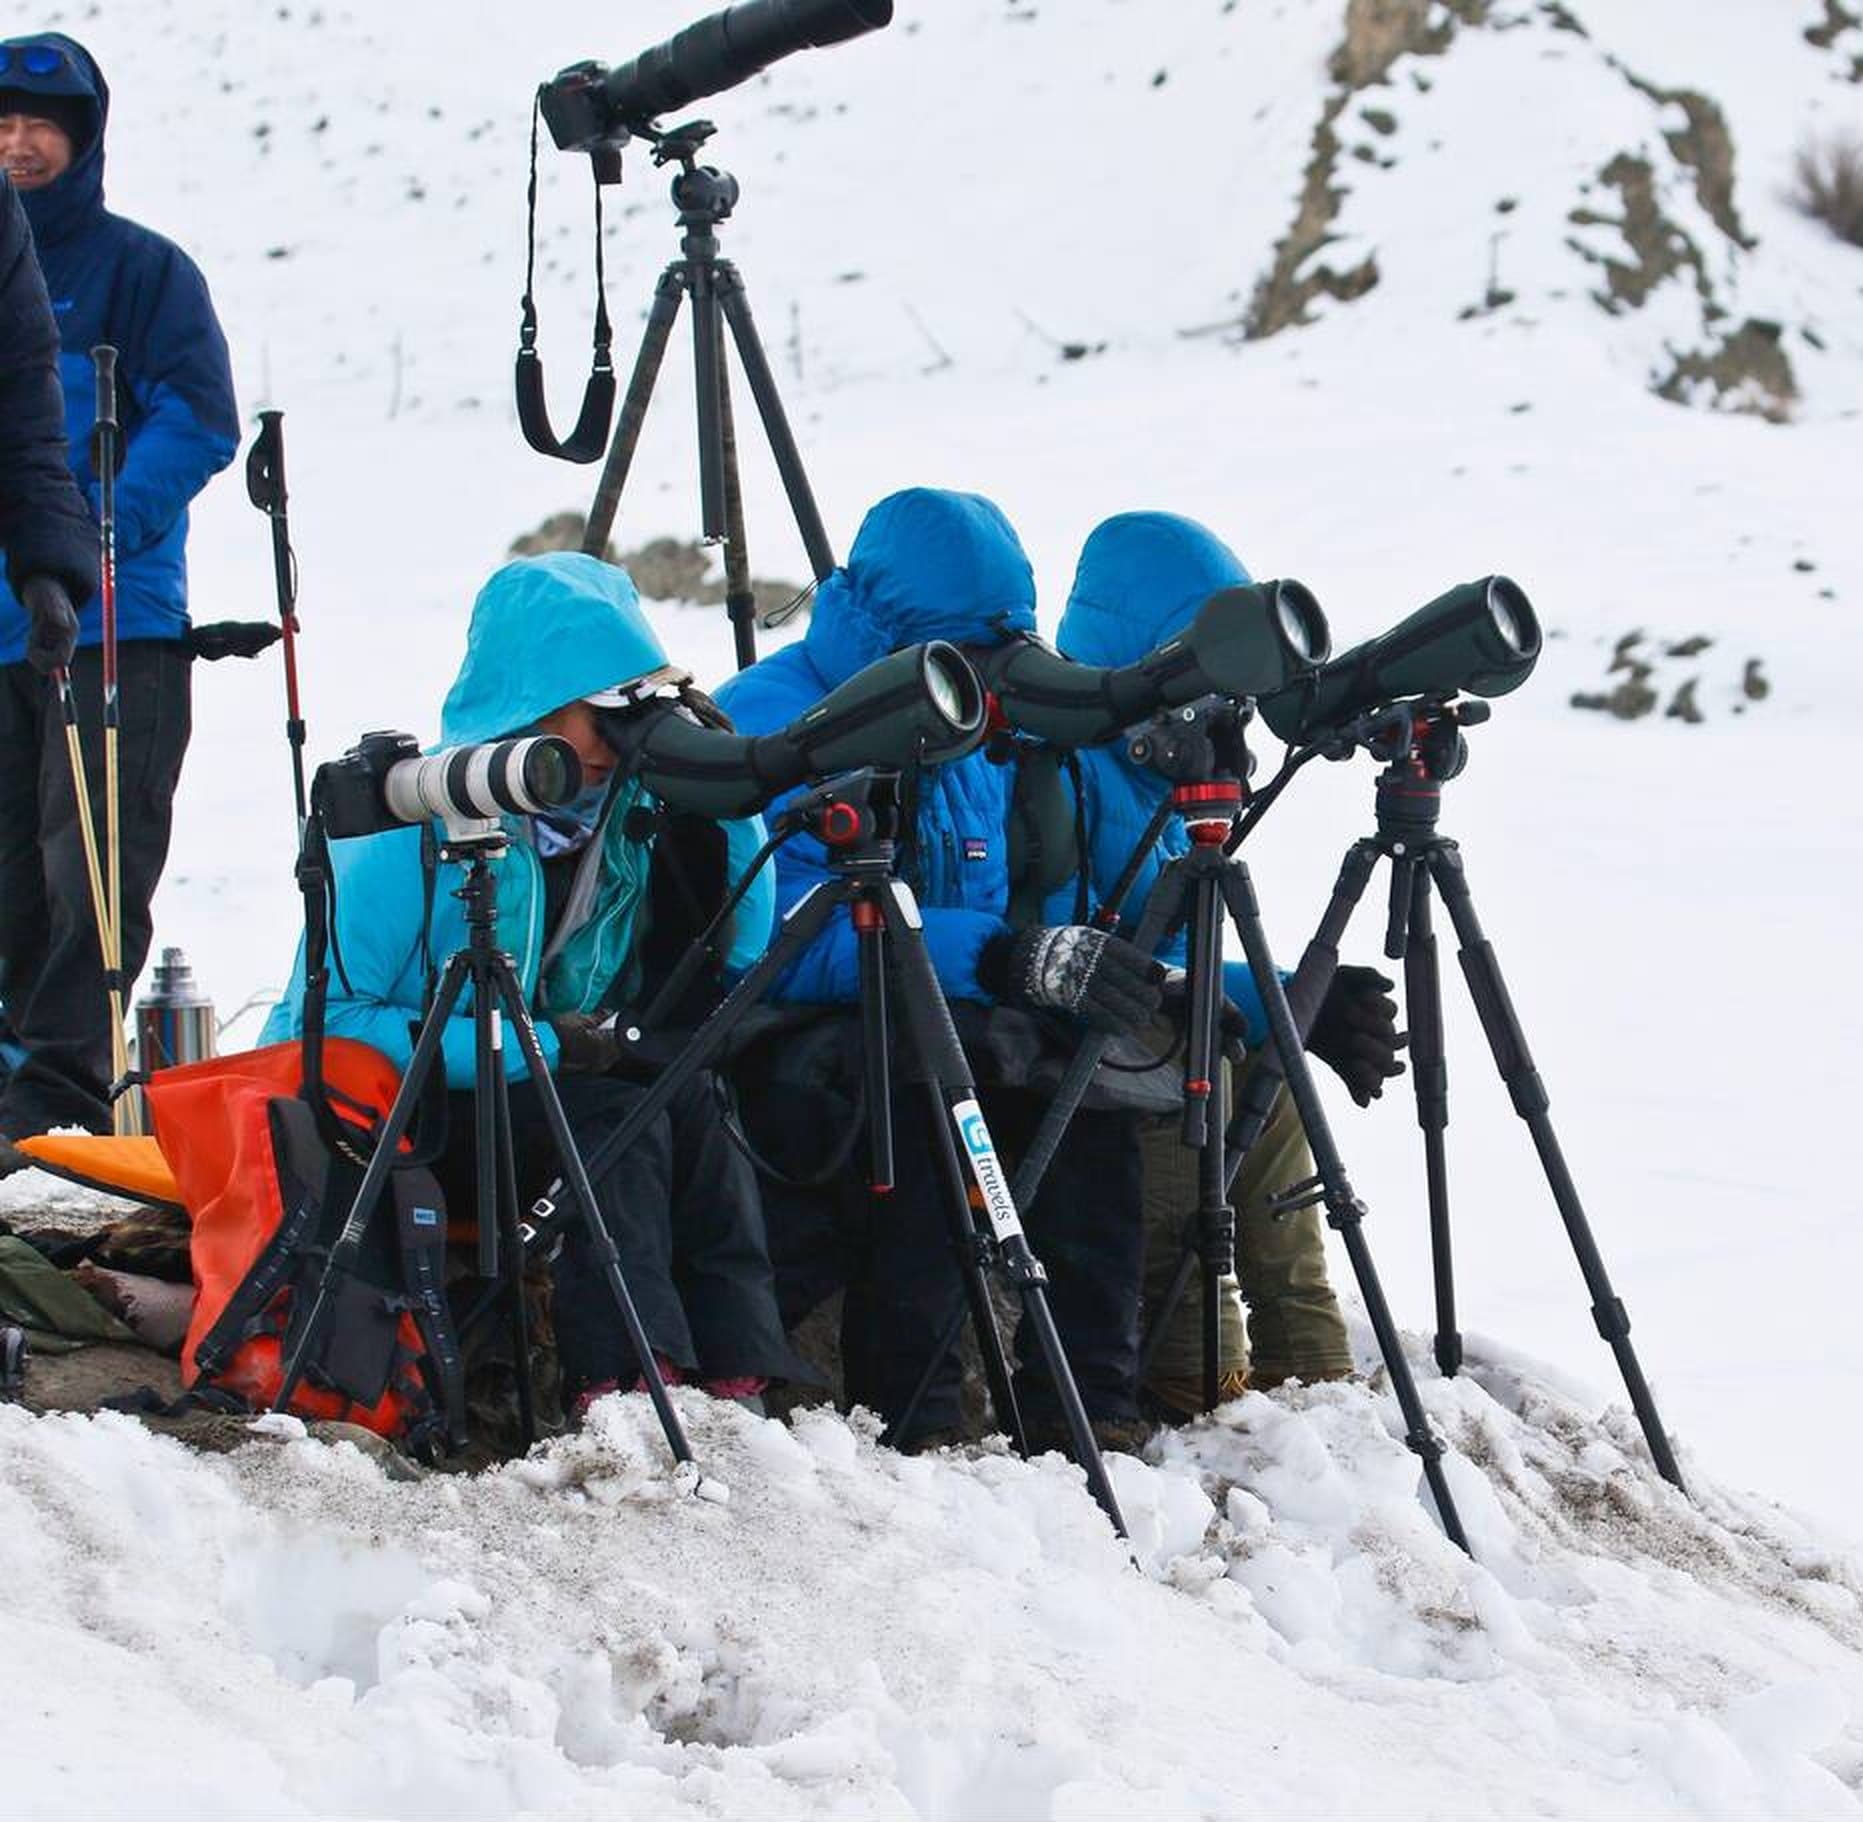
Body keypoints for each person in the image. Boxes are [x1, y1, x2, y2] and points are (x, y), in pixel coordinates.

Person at [261, 553, 804, 1412]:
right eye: (603, 716)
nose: (615, 744)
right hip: (389, 1110)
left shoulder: (618, 823)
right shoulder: (411, 819)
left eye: (636, 714)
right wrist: (549, 1046)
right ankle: (626, 1383)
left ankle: (737, 1374)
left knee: (690, 1099)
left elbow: (738, 950)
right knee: (612, 1118)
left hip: (529, 1088)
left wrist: (718, 783)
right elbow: (333, 1024)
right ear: (535, 701)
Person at [717, 487, 1166, 1451]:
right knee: (925, 1096)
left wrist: (1037, 965)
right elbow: (765, 938)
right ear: (902, 639)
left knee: (1082, 1084)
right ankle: (911, 1423)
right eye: (972, 652)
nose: (995, 678)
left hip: (922, 1010)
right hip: (784, 1035)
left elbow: (984, 912)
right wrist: (997, 955)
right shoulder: (773, 721)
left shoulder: (966, 737)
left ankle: (1088, 1407)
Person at [1048, 512, 1403, 1416]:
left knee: (1261, 1062)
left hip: (1143, 1023)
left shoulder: (1151, 780)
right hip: (1075, 1036)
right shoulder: (1061, 770)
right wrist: (1247, 997)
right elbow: (1079, 945)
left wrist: (1289, 1001)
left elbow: (1175, 955)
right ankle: (1195, 1367)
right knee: (1189, 1058)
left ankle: (1310, 1359)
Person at [0, 35, 236, 1164]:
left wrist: (101, 527)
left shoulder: (144, 271)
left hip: (114, 620)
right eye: (3, 122)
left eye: (43, 124)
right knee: (10, 862)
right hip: (2, 626)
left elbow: (198, 416)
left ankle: (57, 1095)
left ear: (86, 138)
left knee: (88, 861)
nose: (19, 142)